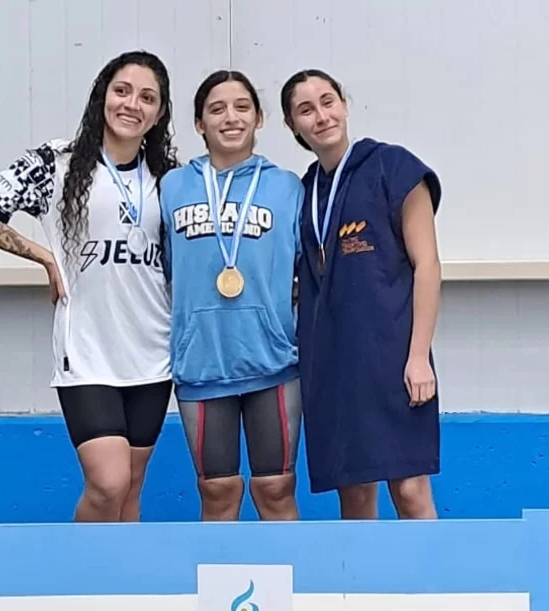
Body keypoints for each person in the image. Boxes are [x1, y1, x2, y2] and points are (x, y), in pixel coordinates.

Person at [0, 51, 179, 523]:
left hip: (153, 353)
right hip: (87, 351)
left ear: (160, 113)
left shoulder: (171, 178)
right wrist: (44, 256)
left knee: (131, 487)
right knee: (108, 482)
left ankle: (119, 571)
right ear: (102, 96)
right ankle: (78, 565)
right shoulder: (55, 163)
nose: (132, 104)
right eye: (122, 91)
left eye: (147, 97)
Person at [280, 68, 442, 520]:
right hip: (330, 365)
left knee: (410, 489)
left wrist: (418, 357)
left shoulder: (393, 166)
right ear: (293, 125)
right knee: (353, 493)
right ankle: (363, 573)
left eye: (328, 101)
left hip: (392, 357)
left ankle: (433, 570)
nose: (321, 116)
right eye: (306, 110)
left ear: (345, 105)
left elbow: (428, 266)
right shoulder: (304, 191)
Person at [159, 70, 303, 522]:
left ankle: (287, 571)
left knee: (276, 489)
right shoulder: (171, 187)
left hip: (273, 362)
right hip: (201, 362)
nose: (231, 118)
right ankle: (218, 572)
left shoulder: (288, 187)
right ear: (199, 123)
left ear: (259, 118)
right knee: (217, 492)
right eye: (217, 109)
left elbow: (309, 271)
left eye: (242, 107)